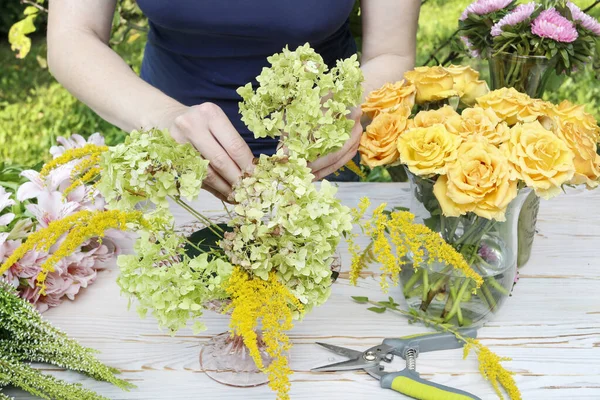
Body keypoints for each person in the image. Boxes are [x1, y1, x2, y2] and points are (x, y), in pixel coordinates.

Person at [47, 1, 421, 201]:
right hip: (168, 145)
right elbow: (74, 35)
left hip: (315, 159)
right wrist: (163, 117)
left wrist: (344, 106)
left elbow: (391, 53)